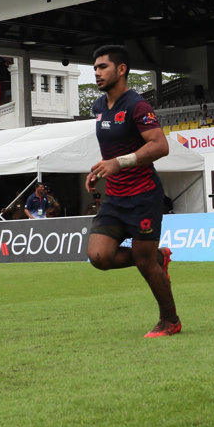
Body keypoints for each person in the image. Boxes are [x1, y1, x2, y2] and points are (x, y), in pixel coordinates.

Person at [84, 44, 179, 337]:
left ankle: (170, 320)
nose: (97, 72)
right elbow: (114, 150)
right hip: (114, 196)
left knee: (144, 263)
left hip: (143, 196)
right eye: (95, 68)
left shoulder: (137, 105)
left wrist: (120, 163)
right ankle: (158, 258)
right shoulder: (99, 107)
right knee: (99, 257)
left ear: (121, 69)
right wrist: (100, 169)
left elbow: (160, 146)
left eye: (103, 67)